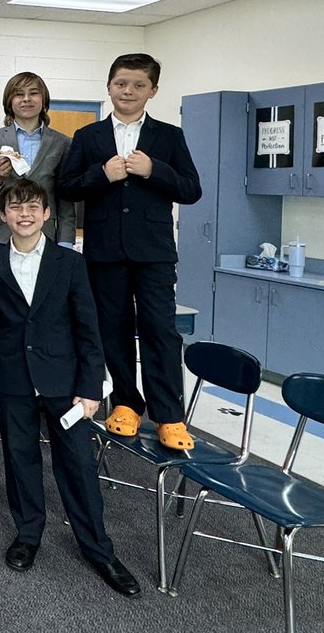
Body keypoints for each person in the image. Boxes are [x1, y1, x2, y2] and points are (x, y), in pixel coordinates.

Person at [0, 179, 141, 597]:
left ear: (47, 214)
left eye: (33, 206)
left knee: (78, 467)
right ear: (3, 215)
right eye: (16, 207)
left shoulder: (70, 264)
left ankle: (99, 549)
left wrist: (90, 388)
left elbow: (89, 328)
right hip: (13, 379)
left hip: (65, 384)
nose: (25, 214)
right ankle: (28, 534)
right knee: (20, 459)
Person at [57, 54, 202, 450]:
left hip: (154, 253)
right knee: (113, 330)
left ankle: (169, 415)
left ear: (153, 91)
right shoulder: (88, 137)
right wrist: (102, 175)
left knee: (161, 330)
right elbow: (67, 187)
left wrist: (154, 169)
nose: (128, 91)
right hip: (104, 251)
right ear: (108, 86)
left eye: (139, 85)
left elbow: (191, 189)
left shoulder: (168, 137)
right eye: (121, 83)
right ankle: (125, 402)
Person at [0, 71, 75, 251]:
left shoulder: (62, 143)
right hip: (2, 235)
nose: (26, 99)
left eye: (33, 93)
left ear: (44, 101)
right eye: (19, 94)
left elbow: (66, 199)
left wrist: (65, 241)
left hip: (46, 234)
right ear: (9, 102)